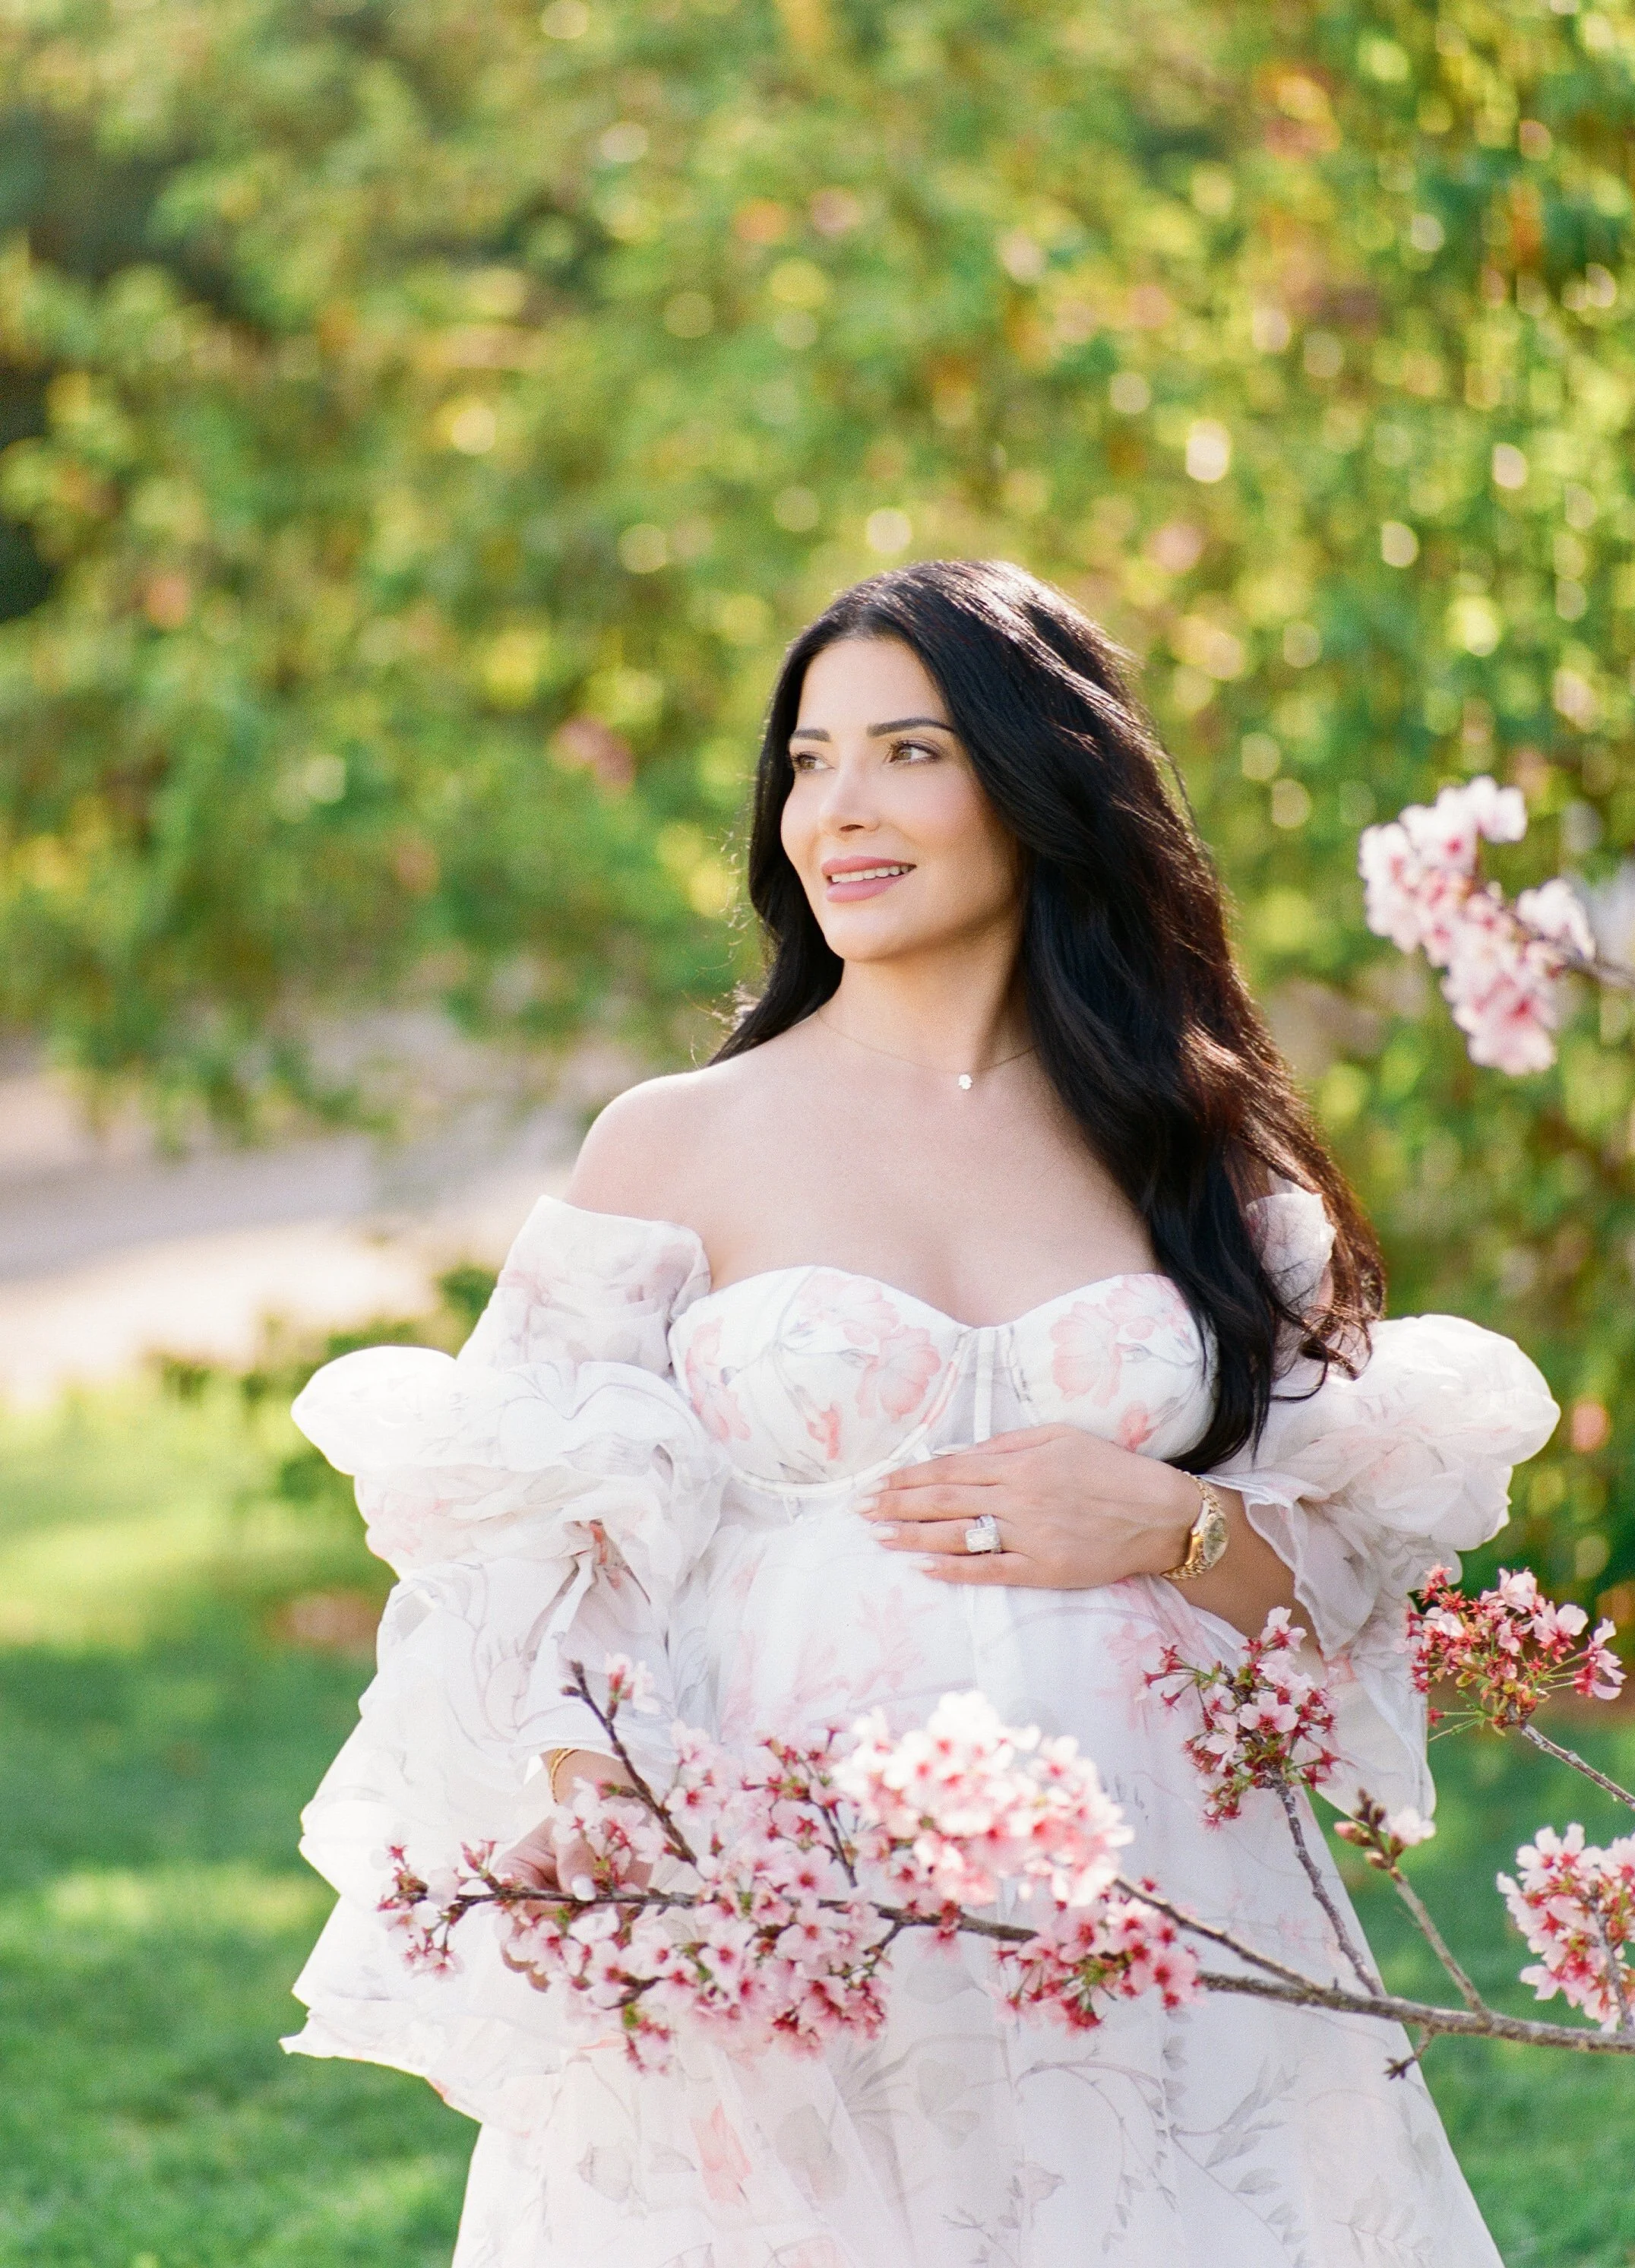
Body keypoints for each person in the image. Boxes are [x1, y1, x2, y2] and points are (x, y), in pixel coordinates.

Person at [287, 561, 1558, 2267]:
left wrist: (1175, 1524)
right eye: (809, 762)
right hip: (790, 1895)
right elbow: (554, 1553)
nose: (839, 810)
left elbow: (1330, 1604)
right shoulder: (672, 1144)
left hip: (1155, 1890)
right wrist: (598, 1792)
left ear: (1039, 786)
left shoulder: (1193, 1146)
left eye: (908, 752)